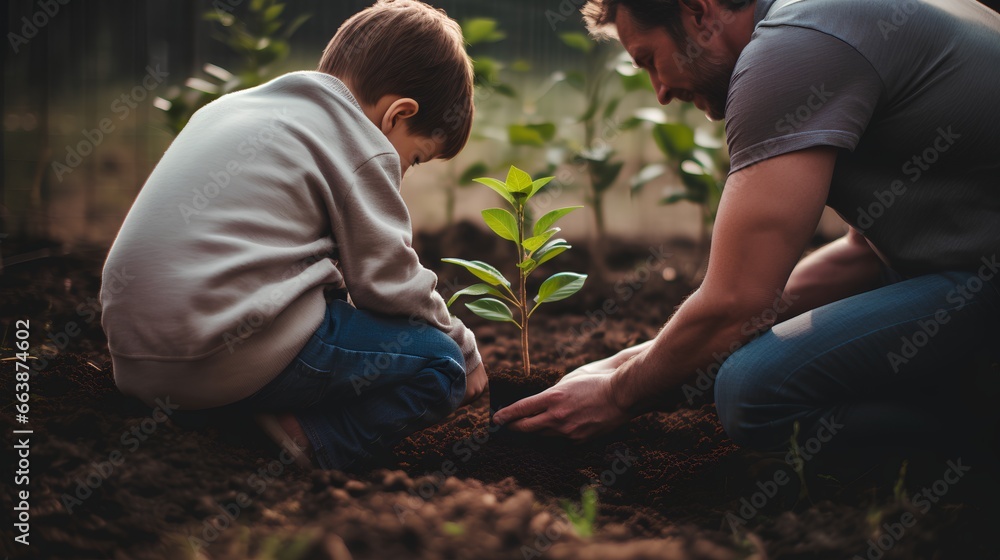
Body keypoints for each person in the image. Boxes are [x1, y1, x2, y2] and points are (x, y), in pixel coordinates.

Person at [494, 0, 1000, 462]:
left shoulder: (790, 50)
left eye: (650, 59)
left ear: (698, 13)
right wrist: (639, 358)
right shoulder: (822, 19)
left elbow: (737, 301)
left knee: (753, 390)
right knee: (720, 357)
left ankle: (973, 441)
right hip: (967, 269)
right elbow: (861, 254)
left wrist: (618, 394)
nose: (661, 92)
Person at [99, 0, 487, 471]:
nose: (404, 169)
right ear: (397, 115)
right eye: (417, 157)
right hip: (221, 356)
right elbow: (386, 282)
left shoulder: (230, 109)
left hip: (136, 361)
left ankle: (220, 413)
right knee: (438, 363)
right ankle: (311, 438)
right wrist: (465, 348)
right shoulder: (361, 142)